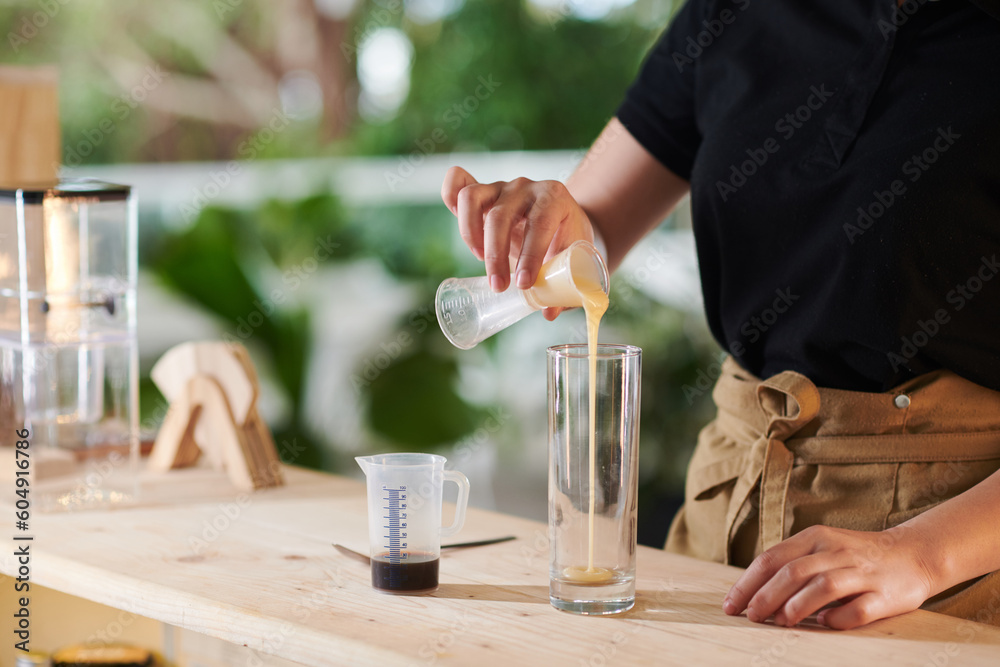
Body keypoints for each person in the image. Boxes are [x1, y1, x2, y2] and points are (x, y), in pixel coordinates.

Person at [440, 0, 1000, 630]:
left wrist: (920, 555)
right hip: (726, 507)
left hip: (947, 561)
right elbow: (589, 231)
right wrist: (553, 225)